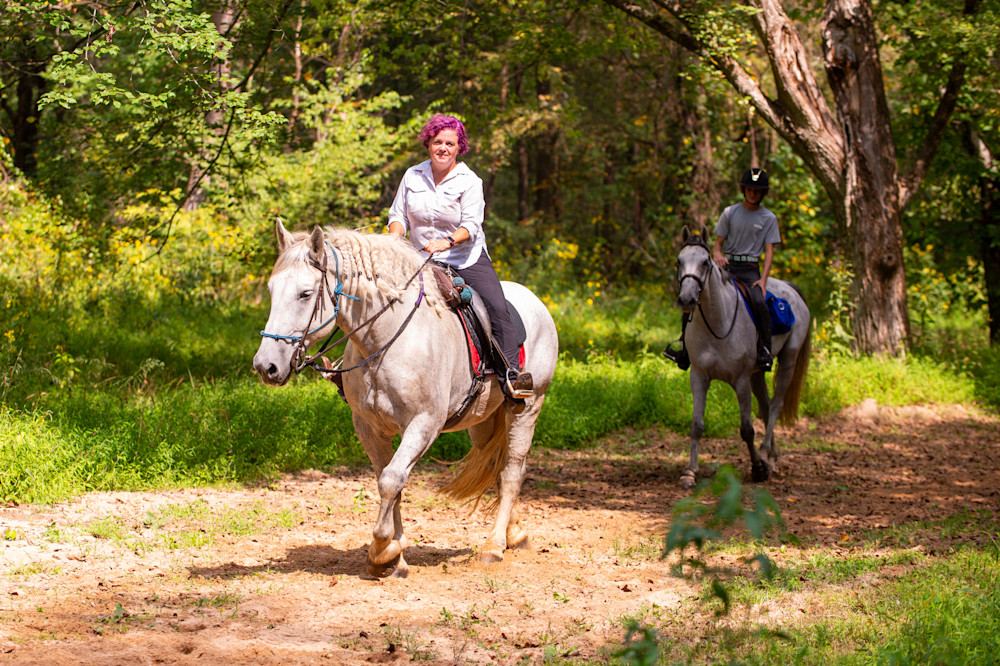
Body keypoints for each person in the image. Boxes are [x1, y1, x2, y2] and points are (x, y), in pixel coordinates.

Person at [386, 113, 534, 403]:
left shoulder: (469, 181)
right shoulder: (412, 175)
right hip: (419, 257)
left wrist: (446, 241)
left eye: (450, 143)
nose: (443, 148)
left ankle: (511, 377)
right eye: (438, 142)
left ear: (459, 147)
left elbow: (471, 225)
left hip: (464, 257)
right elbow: (398, 216)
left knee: (496, 306)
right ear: (428, 143)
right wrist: (393, 239)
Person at [664, 167, 780, 371]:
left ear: (763, 193)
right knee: (693, 295)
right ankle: (684, 348)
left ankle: (764, 350)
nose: (753, 194)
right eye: (750, 190)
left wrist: (763, 279)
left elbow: (769, 252)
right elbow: (717, 244)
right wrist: (717, 254)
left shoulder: (769, 218)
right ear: (744, 190)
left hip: (750, 267)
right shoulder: (730, 212)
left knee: (759, 302)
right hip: (726, 265)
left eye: (757, 191)